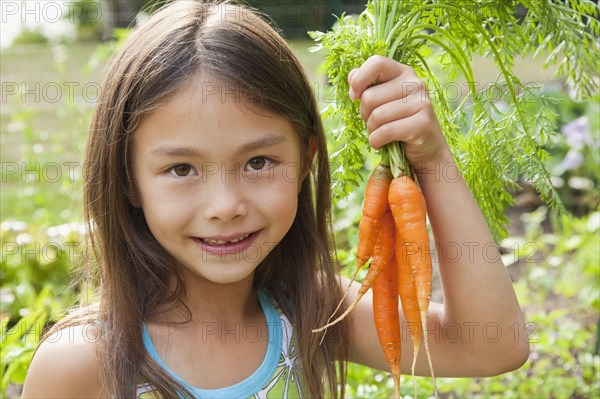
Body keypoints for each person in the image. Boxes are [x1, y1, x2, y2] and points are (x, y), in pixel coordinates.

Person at [22, 1, 529, 398]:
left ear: (306, 159)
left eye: (259, 163)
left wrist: (433, 160)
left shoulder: (312, 313)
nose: (225, 204)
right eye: (181, 169)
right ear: (127, 179)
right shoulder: (82, 362)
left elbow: (491, 346)